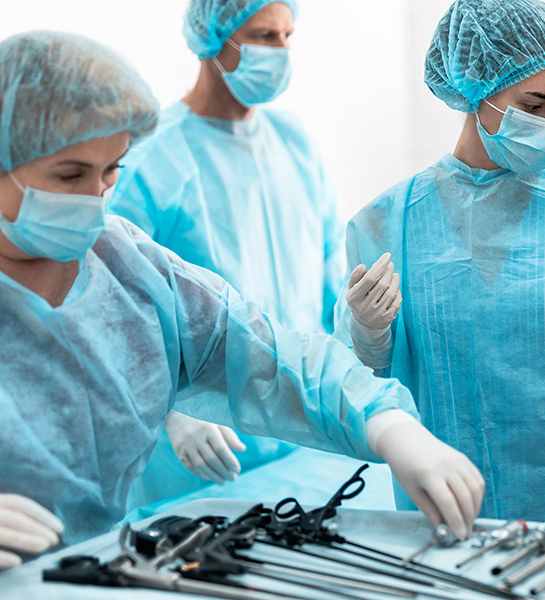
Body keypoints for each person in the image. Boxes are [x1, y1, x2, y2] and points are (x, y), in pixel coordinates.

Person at [0, 31, 482, 599]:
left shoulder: (125, 264)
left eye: (111, 171)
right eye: (69, 175)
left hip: (93, 580)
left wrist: (389, 428)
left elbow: (269, 356)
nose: (95, 198)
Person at [335, 0, 545, 529]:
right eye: (535, 106)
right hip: (448, 502)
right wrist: (368, 332)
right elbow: (367, 386)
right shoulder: (389, 222)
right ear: (476, 90)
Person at [109, 0, 345, 506]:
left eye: (287, 36)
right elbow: (111, 307)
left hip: (300, 433)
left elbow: (331, 285)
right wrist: (171, 407)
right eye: (264, 35)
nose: (280, 51)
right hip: (202, 450)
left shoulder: (296, 143)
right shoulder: (152, 159)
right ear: (212, 41)